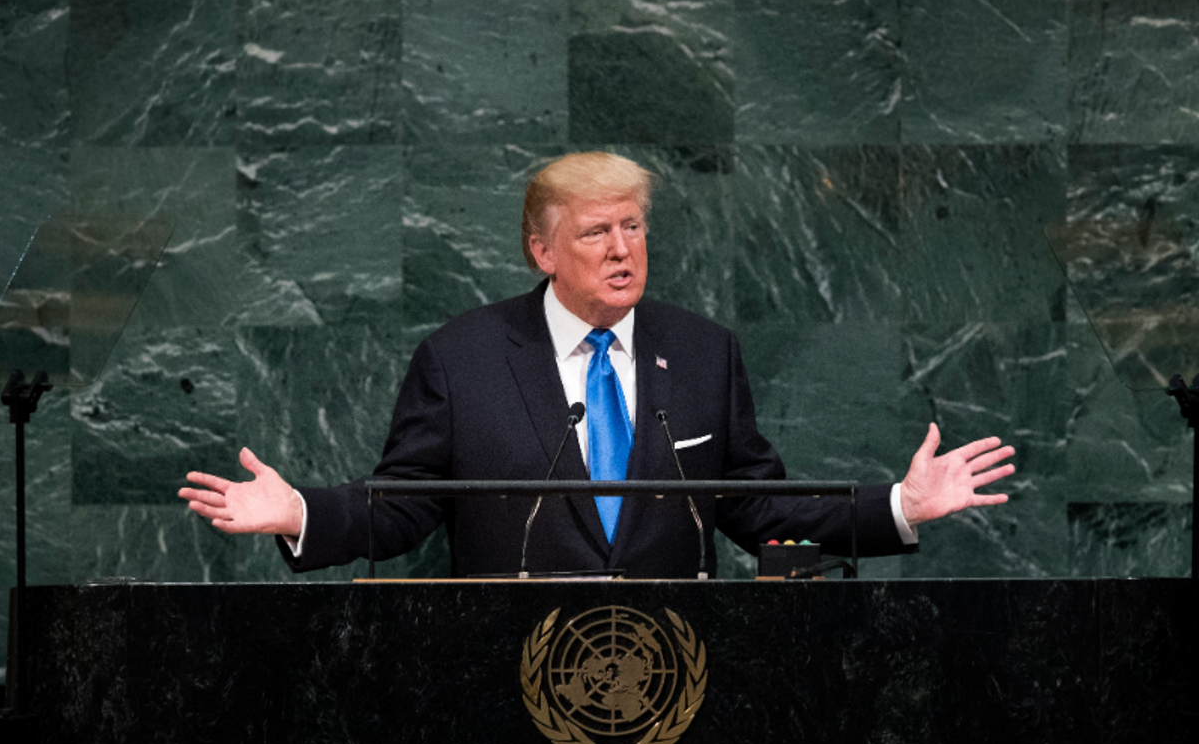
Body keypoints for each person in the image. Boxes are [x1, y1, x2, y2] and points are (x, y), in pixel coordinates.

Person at [179, 152, 1015, 578]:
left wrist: (899, 506)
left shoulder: (700, 351)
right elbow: (403, 510)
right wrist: (299, 514)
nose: (623, 250)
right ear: (541, 249)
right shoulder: (462, 360)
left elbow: (756, 505)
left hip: (676, 679)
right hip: (504, 677)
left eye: (634, 228)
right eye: (596, 233)